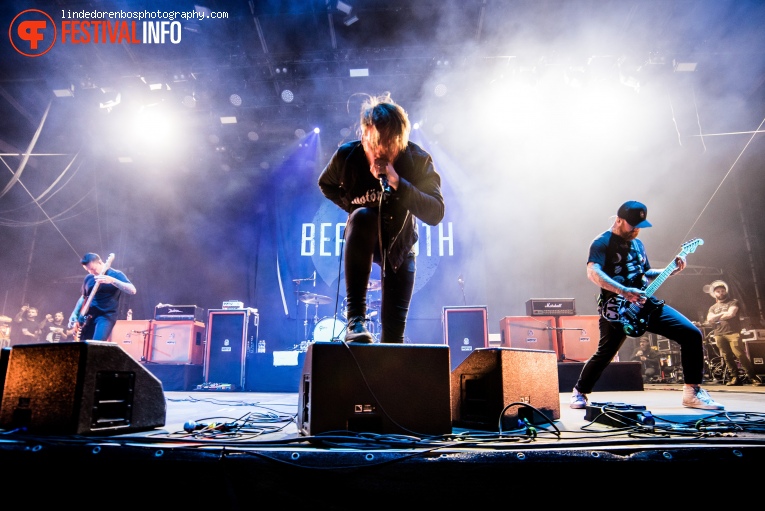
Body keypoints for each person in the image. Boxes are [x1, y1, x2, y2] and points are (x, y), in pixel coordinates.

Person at [570, 200, 724, 410]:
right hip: (617, 308)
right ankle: (579, 391)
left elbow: (646, 274)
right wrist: (624, 291)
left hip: (645, 302)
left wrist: (671, 270)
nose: (636, 230)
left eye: (639, 226)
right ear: (618, 220)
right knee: (605, 353)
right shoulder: (602, 242)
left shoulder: (638, 244)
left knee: (692, 334)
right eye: (632, 225)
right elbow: (593, 273)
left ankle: (692, 392)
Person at [317, 93, 445, 343]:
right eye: (375, 142)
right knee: (363, 216)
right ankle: (356, 319)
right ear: (364, 135)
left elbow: (435, 212)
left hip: (400, 246)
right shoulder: (347, 156)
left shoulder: (417, 159)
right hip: (363, 236)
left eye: (389, 144)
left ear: (400, 141)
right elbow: (326, 184)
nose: (381, 151)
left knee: (393, 340)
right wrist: (352, 208)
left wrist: (398, 182)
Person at [705, 280, 763, 386]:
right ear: (715, 294)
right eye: (718, 291)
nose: (721, 293)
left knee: (740, 354)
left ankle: (752, 377)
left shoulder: (733, 302)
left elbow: (731, 314)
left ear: (725, 291)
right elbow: (709, 319)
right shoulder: (712, 307)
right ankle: (735, 378)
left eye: (722, 291)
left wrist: (717, 317)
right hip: (719, 334)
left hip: (733, 332)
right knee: (727, 357)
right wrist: (722, 313)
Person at [68, 253, 136, 342]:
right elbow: (84, 297)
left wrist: (112, 280)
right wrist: (75, 313)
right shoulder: (89, 278)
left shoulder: (116, 274)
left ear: (100, 262)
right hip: (89, 316)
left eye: (93, 269)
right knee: (83, 345)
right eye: (88, 270)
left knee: (96, 344)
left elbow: (132, 290)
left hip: (106, 316)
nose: (91, 272)